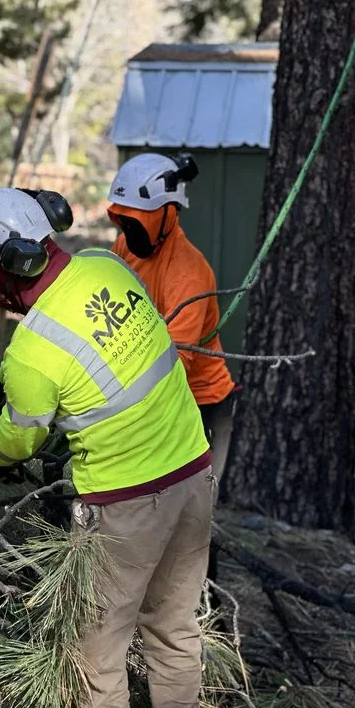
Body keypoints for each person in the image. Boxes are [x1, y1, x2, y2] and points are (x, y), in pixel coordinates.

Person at [0, 186, 214, 708]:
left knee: (98, 655)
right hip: (194, 473)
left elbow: (17, 442)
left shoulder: (33, 352)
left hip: (124, 506)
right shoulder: (106, 263)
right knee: (174, 628)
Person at [106, 153, 237, 503]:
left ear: (169, 212)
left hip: (199, 401)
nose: (129, 230)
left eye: (138, 222)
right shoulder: (125, 248)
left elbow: (177, 364)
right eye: (124, 220)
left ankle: (201, 558)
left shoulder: (188, 273)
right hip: (146, 390)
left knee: (194, 506)